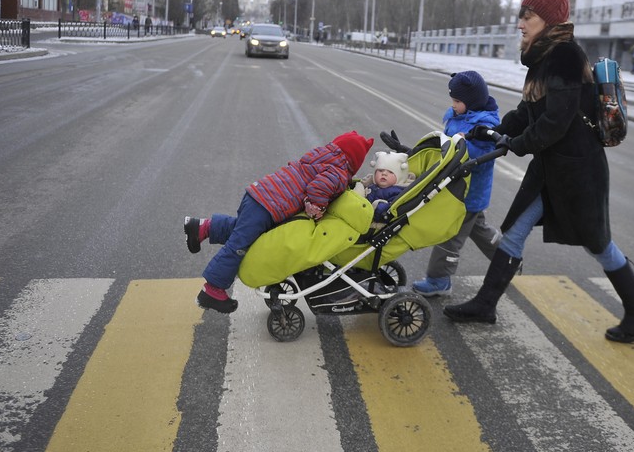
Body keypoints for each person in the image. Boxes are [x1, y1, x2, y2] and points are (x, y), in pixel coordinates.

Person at [443, 0, 634, 343]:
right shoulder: (545, 56)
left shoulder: (564, 57)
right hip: (553, 168)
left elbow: (556, 120)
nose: (521, 24)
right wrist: (495, 129)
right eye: (521, 16)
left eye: (528, 16)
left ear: (549, 20)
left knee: (598, 243)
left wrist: (517, 143)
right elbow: (531, 110)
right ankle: (485, 303)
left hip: (577, 171)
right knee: (515, 232)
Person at [183, 131, 374, 314]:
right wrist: (316, 209)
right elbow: (318, 189)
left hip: (259, 195)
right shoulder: (338, 172)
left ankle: (203, 227)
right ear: (354, 162)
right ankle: (212, 290)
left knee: (245, 232)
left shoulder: (320, 157)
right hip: (268, 206)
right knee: (239, 244)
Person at [407, 71, 501, 296]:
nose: (453, 105)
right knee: (480, 231)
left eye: (457, 101)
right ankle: (508, 258)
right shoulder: (460, 116)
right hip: (457, 188)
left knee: (449, 235)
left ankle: (440, 279)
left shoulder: (485, 126)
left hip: (467, 193)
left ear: (472, 102)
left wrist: (459, 146)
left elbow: (480, 154)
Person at [355, 150, 416, 224]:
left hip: (373, 219)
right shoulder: (370, 184)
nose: (384, 174)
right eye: (380, 170)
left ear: (400, 177)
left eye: (390, 172)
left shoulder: (397, 192)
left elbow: (389, 209)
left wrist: (378, 208)